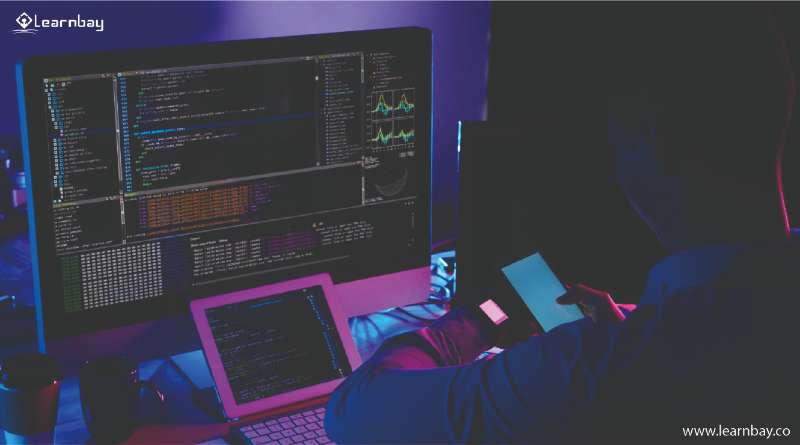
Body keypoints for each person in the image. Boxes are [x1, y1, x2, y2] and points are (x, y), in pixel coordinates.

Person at [325, 6, 799, 443]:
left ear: (657, 143)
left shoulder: (591, 371)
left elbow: (355, 413)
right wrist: (633, 327)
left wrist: (474, 323)